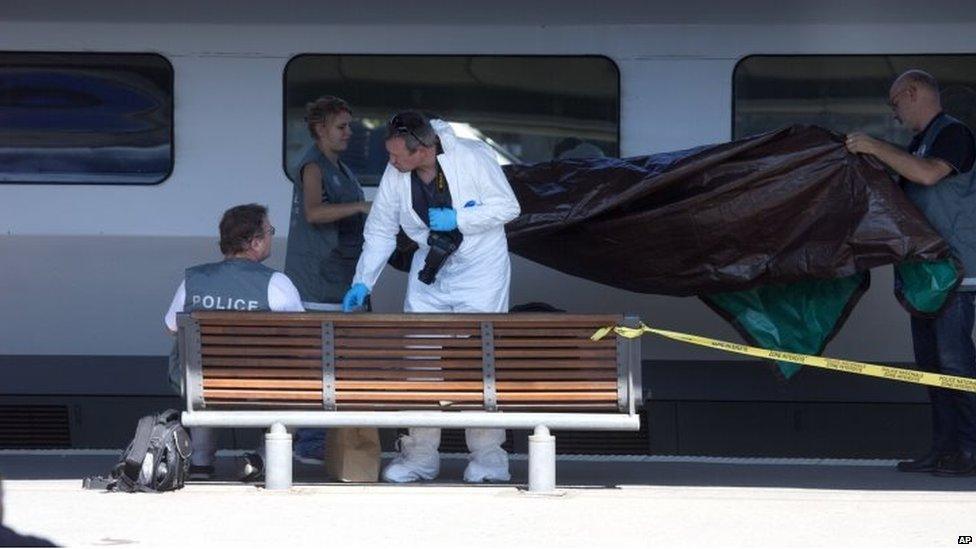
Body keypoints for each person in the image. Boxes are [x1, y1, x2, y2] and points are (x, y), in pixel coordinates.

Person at [342, 111, 521, 483]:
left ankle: (490, 459)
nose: (390, 163)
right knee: (420, 362)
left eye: (396, 156)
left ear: (422, 149)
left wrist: (459, 219)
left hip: (480, 272)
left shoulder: (472, 156)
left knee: (479, 361)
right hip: (431, 271)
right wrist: (363, 282)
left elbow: (509, 207)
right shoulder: (398, 175)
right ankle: (420, 457)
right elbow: (379, 231)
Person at [847, 69, 976, 477]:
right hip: (924, 275)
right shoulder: (919, 143)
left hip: (955, 273)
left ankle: (971, 450)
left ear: (914, 92)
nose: (895, 112)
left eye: (895, 103)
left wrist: (873, 145)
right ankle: (943, 450)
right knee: (933, 366)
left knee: (956, 365)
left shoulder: (954, 135)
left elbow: (927, 174)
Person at [164, 204, 305, 480]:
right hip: (261, 385)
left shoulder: (193, 280)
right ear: (254, 242)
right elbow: (302, 339)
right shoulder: (276, 283)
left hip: (201, 384)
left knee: (199, 367)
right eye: (269, 232)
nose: (271, 237)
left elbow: (171, 327)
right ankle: (261, 458)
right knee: (302, 381)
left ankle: (201, 460)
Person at [283, 96, 371, 462]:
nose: (349, 133)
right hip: (319, 280)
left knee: (342, 362)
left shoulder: (342, 168)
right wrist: (361, 207)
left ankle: (322, 440)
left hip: (342, 277)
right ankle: (310, 442)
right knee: (325, 364)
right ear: (320, 130)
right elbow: (314, 212)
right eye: (341, 126)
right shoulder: (313, 166)